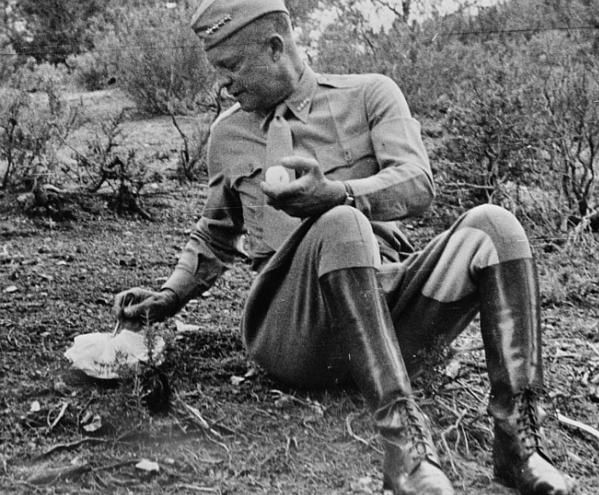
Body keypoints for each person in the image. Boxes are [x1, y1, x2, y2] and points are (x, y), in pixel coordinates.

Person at [114, 1, 575, 494]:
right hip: (293, 329)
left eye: (231, 67)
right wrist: (171, 294)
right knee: (339, 224)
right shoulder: (227, 134)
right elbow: (215, 232)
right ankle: (406, 450)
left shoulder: (370, 94)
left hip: (389, 319)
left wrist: (342, 193)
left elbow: (418, 182)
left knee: (495, 226)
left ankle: (518, 445)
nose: (223, 83)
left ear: (275, 47)